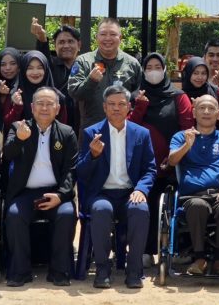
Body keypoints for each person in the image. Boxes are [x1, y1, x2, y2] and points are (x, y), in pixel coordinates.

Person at [76, 84, 156, 289]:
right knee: (101, 210)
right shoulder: (92, 133)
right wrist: (93, 156)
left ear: (129, 106)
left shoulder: (141, 133)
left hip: (130, 192)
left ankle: (134, 269)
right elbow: (81, 173)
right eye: (111, 104)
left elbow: (150, 169)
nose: (116, 108)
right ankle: (103, 268)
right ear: (104, 107)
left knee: (140, 209)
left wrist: (141, 189)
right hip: (102, 193)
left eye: (121, 104)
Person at [3, 87, 78, 287]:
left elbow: (71, 170)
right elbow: (7, 155)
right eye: (40, 104)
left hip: (55, 192)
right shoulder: (19, 127)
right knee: (14, 215)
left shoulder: (67, 132)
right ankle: (20, 272)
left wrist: (61, 195)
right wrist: (19, 140)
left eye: (49, 104)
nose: (44, 108)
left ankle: (59, 271)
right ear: (32, 107)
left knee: (66, 214)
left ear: (57, 108)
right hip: (25, 193)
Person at [167, 95, 219, 275]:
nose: (206, 112)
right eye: (202, 108)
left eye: (211, 108)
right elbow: (172, 161)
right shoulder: (181, 136)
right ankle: (199, 259)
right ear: (194, 113)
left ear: (218, 114)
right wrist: (187, 145)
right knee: (197, 206)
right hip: (193, 195)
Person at [128, 53, 193, 260]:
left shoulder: (178, 97)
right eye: (149, 67)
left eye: (158, 67)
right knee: (143, 206)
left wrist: (174, 156)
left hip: (171, 164)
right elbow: (128, 128)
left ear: (165, 70)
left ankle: (173, 250)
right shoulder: (136, 96)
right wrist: (140, 106)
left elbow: (187, 128)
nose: (153, 71)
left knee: (167, 207)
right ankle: (145, 250)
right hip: (142, 165)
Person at [68, 18, 143, 130]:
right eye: (103, 34)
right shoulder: (83, 61)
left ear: (120, 38)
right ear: (97, 37)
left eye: (113, 34)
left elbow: (138, 99)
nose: (108, 38)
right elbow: (74, 93)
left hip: (123, 130)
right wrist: (91, 81)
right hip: (92, 130)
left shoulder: (132, 64)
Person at [30, 20, 81, 128]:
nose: (66, 45)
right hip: (54, 124)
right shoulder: (50, 65)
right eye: (61, 42)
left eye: (70, 41)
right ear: (55, 45)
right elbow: (42, 55)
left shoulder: (86, 67)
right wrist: (41, 37)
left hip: (81, 124)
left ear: (79, 45)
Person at [3, 51, 68, 126]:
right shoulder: (15, 95)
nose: (35, 72)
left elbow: (62, 126)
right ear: (24, 70)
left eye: (40, 68)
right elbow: (7, 124)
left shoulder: (58, 97)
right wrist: (17, 107)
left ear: (46, 69)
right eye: (30, 68)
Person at [0, 47, 21, 115]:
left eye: (13, 63)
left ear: (19, 66)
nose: (8, 68)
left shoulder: (24, 88)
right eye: (3, 64)